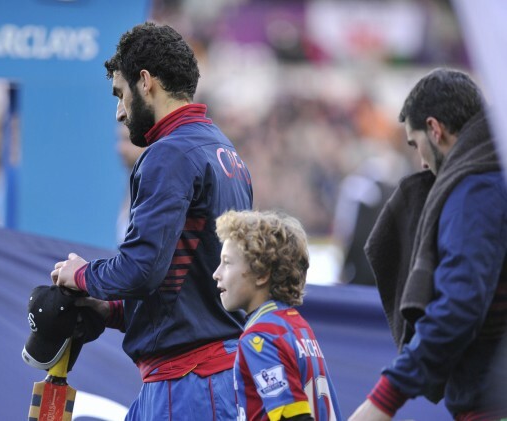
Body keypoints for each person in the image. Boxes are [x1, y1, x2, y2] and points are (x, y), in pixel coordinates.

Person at [52, 22, 253, 420]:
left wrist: (80, 276)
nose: (120, 112)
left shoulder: (170, 153)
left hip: (188, 383)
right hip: (209, 376)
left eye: (120, 94)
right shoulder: (226, 152)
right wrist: (110, 310)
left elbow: (141, 268)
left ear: (145, 82)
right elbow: (188, 285)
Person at [349, 68, 507, 420]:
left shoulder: (476, 189)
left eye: (415, 143)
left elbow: (458, 307)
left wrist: (383, 399)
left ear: (435, 129)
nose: (420, 161)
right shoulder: (495, 172)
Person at [213, 210, 342, 421]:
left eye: (227, 262)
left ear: (262, 274)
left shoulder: (260, 337)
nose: (216, 273)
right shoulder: (299, 326)